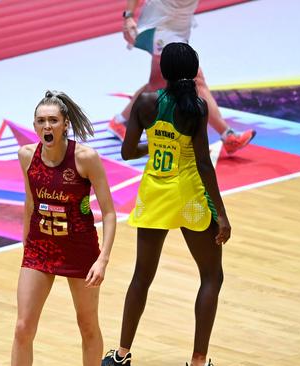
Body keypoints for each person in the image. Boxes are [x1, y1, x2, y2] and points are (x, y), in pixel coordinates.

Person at [101, 43, 230, 366]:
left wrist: (156, 144)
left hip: (154, 195)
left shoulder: (144, 102)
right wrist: (223, 215)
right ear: (193, 70)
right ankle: (198, 361)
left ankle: (121, 355)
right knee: (211, 276)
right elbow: (202, 163)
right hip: (188, 196)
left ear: (164, 72)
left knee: (141, 276)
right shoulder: (196, 107)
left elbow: (128, 152)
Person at [11, 91, 117, 366]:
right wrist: (26, 241)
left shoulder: (85, 158)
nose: (47, 126)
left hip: (80, 250)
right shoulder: (26, 156)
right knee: (23, 327)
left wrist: (103, 259)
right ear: (34, 126)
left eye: (53, 121)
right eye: (41, 121)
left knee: (87, 326)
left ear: (65, 124)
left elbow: (108, 212)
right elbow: (30, 200)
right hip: (40, 248)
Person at [108, 0, 255, 155]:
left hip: (180, 27)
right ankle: (228, 136)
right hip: (160, 26)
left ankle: (119, 121)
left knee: (157, 83)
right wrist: (128, 16)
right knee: (195, 79)